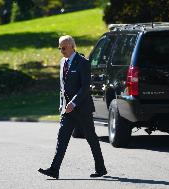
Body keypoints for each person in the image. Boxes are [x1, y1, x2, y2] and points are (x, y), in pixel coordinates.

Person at [38, 35, 107, 179]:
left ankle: (101, 169)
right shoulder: (62, 62)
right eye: (59, 48)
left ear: (72, 46)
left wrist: (74, 102)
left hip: (82, 109)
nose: (61, 50)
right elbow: (62, 87)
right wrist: (61, 105)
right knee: (62, 138)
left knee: (91, 138)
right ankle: (54, 170)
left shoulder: (83, 62)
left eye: (63, 48)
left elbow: (85, 87)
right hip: (67, 110)